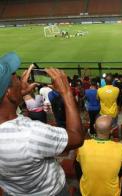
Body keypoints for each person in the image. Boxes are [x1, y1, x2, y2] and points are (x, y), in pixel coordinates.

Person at [0, 52, 84, 195]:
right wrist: (66, 93)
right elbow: (77, 138)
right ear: (9, 93)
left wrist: (19, 96)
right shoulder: (30, 134)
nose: (20, 81)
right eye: (16, 78)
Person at [76, 115, 122, 196]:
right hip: (112, 193)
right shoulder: (121, 148)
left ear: (94, 127)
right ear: (111, 130)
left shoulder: (82, 145)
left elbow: (78, 163)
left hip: (87, 192)